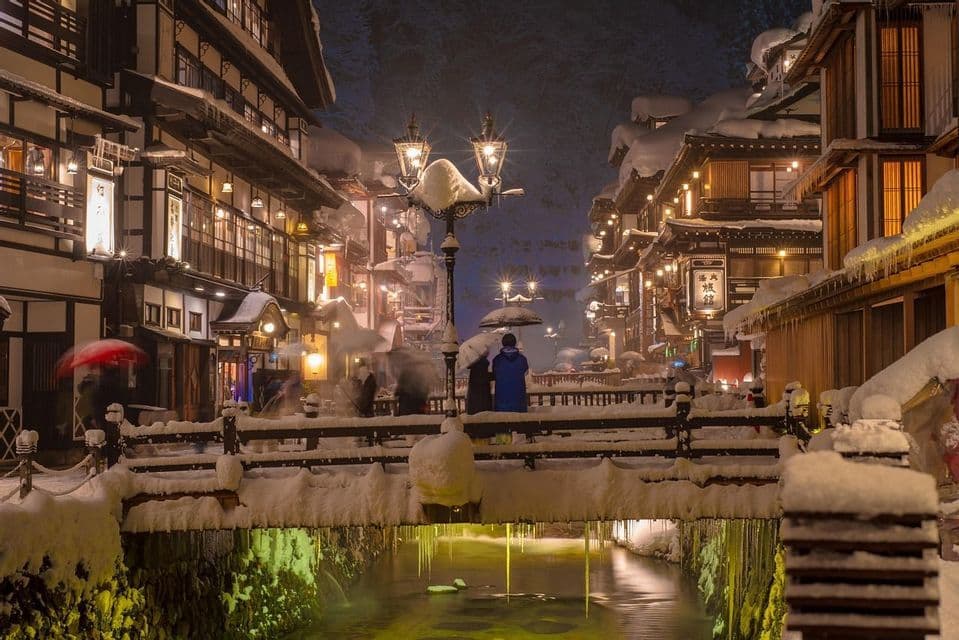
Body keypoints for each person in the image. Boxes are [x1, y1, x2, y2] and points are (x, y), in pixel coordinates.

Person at [492, 333, 529, 412]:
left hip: (501, 401)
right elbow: (525, 371)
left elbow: (494, 374)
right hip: (519, 401)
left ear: (503, 343)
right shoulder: (522, 359)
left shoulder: (497, 360)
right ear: (515, 343)